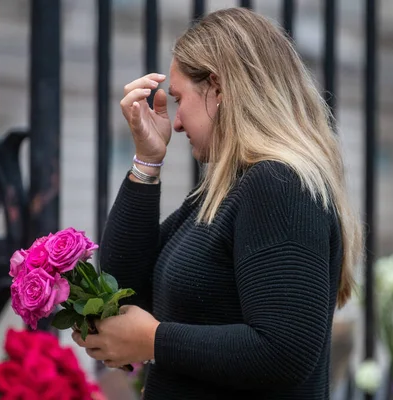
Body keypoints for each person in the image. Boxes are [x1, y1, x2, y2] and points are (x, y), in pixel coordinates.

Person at [72, 7, 362, 400]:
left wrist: (153, 340)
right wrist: (147, 160)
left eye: (178, 99)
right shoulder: (224, 194)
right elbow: (126, 287)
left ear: (218, 88)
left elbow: (283, 351)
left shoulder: (279, 184)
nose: (174, 123)